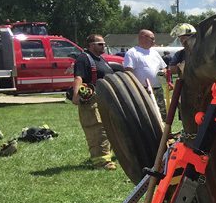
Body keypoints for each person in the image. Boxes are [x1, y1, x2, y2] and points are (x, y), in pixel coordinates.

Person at [71, 34, 116, 170]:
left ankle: (107, 157)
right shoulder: (83, 59)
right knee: (97, 129)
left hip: (105, 99)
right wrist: (76, 94)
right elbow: (78, 77)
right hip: (92, 101)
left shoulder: (101, 59)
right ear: (91, 45)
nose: (104, 46)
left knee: (110, 128)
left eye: (104, 44)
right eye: (100, 44)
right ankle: (101, 162)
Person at [123, 29, 168, 120]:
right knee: (147, 114)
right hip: (143, 90)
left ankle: (166, 132)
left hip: (158, 88)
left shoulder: (154, 53)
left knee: (162, 114)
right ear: (143, 37)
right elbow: (128, 72)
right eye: (152, 38)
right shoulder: (132, 53)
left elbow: (163, 67)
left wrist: (163, 72)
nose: (154, 41)